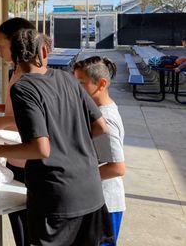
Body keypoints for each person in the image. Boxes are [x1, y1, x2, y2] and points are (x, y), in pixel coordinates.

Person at [0, 29, 114, 246]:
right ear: (45, 51)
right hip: (91, 192)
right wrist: (71, 142)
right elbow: (101, 127)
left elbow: (40, 149)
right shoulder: (68, 79)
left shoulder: (23, 88)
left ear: (15, 57)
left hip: (57, 198)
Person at [0, 17, 35, 246]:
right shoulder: (16, 70)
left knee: (28, 226)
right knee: (18, 221)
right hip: (15, 156)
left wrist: (4, 122)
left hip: (28, 159)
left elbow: (35, 121)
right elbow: (21, 109)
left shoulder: (31, 76)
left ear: (17, 43)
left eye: (1, 45)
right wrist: (1, 108)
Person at [74, 57, 126, 246]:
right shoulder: (97, 110)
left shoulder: (105, 119)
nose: (77, 89)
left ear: (101, 84)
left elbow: (117, 168)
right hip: (94, 200)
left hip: (106, 205)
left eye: (81, 83)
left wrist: (77, 176)